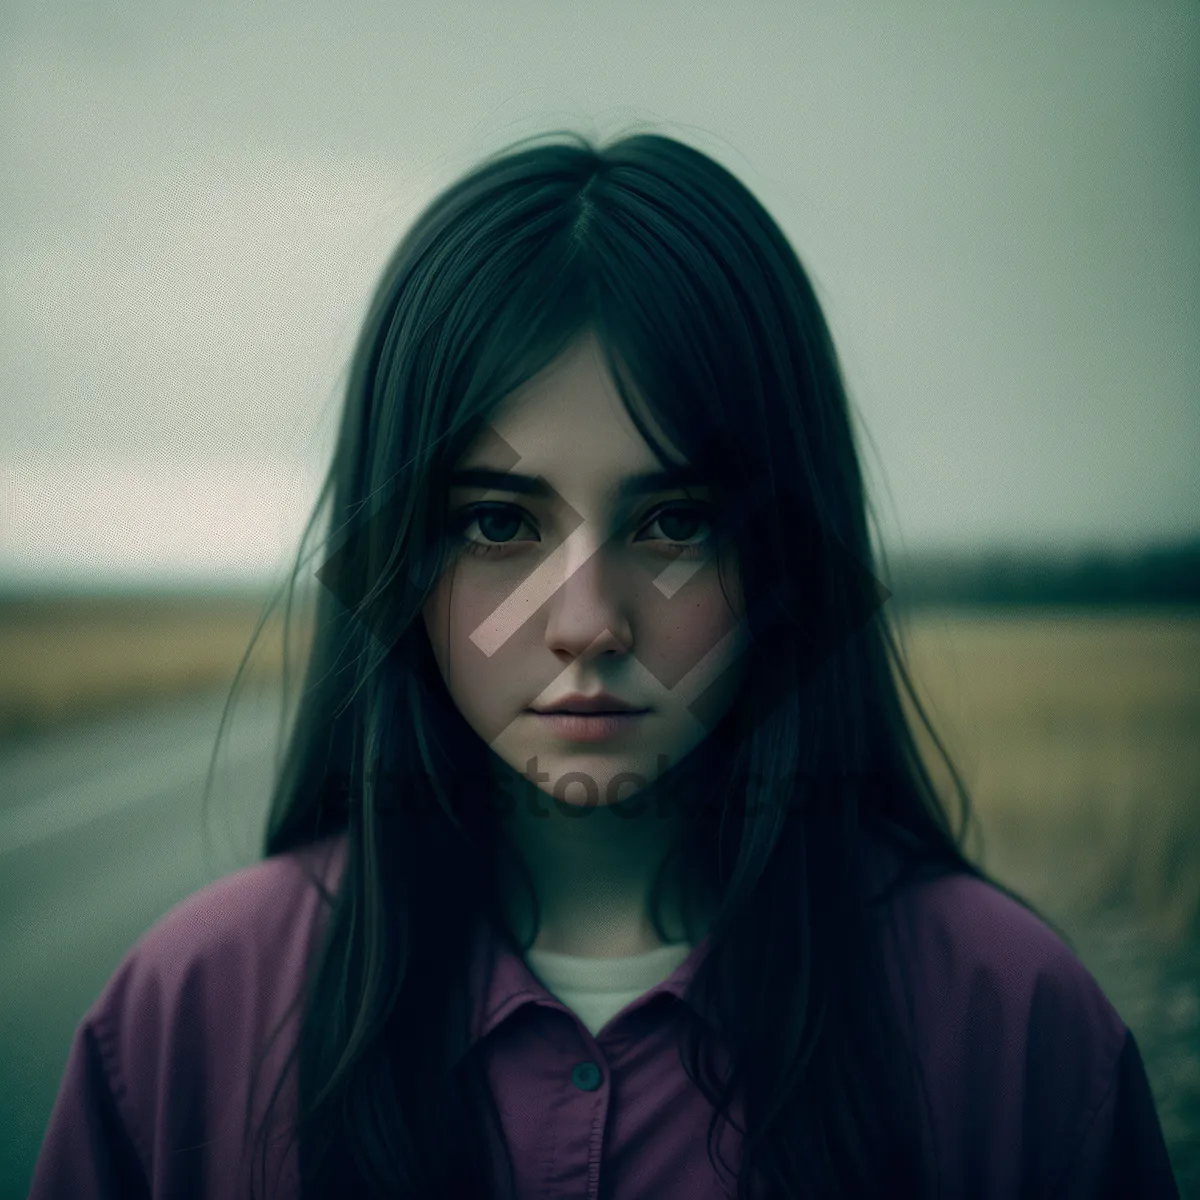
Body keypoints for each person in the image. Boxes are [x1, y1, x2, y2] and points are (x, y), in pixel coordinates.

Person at [29, 128, 1180, 1199]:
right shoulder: (184, 1021)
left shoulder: (1017, 1027)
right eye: (498, 526)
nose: (588, 622)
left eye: (675, 522)